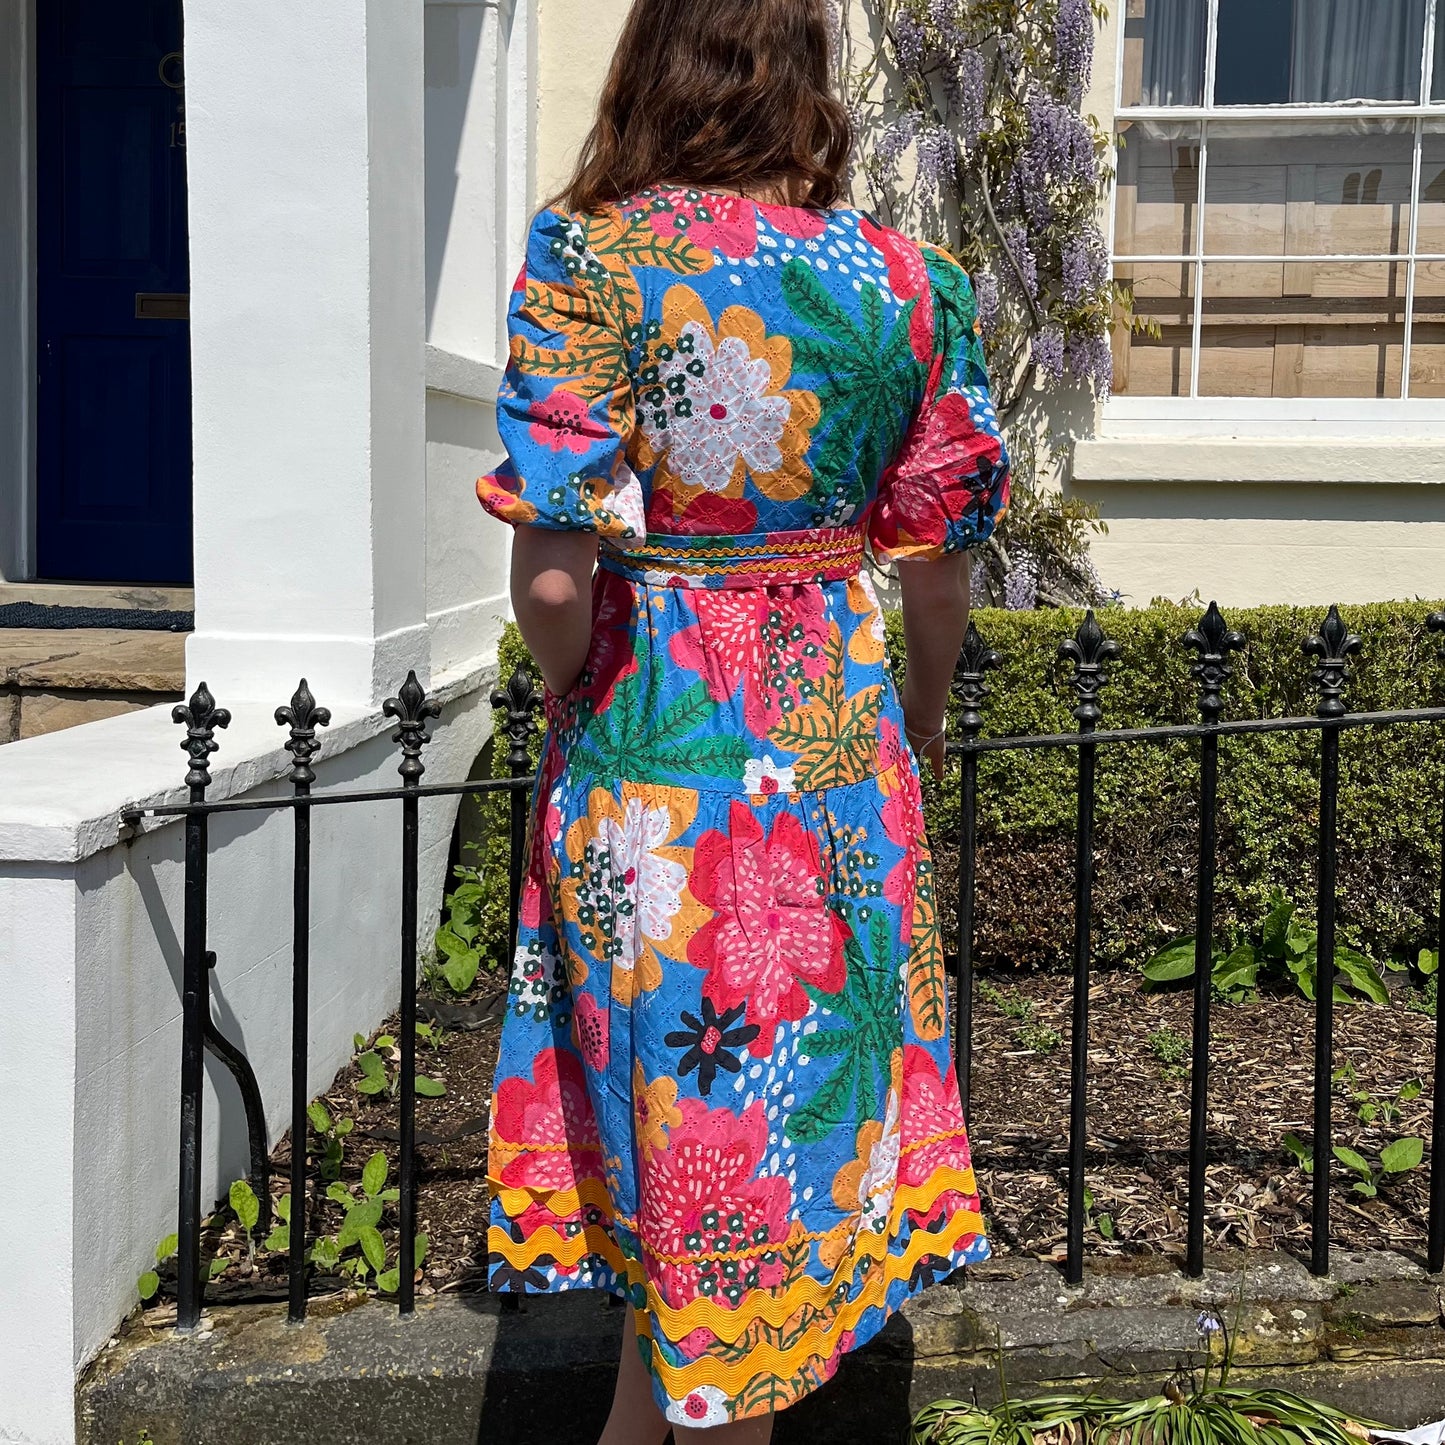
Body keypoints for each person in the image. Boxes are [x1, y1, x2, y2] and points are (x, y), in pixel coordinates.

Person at [477, 0, 1008, 1436]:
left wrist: (580, 689)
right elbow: (939, 570)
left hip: (654, 759)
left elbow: (550, 579)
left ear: (656, 62)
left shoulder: (593, 255)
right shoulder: (913, 283)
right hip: (841, 759)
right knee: (764, 1145)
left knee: (687, 1129)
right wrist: (918, 718)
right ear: (807, 75)